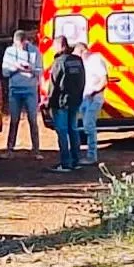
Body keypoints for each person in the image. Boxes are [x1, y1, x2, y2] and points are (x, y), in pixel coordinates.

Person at [0, 30, 43, 160]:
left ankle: (36, 150)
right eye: (16, 44)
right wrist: (16, 67)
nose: (19, 46)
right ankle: (9, 149)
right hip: (15, 89)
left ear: (25, 41)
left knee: (33, 119)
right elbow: (5, 72)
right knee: (14, 120)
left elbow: (40, 70)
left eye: (20, 44)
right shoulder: (9, 51)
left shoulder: (35, 51)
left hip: (30, 89)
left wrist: (31, 69)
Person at [47, 36, 85, 172]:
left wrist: (49, 102)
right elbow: (82, 81)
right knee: (73, 130)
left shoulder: (59, 62)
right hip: (75, 101)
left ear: (59, 46)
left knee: (62, 132)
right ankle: (76, 161)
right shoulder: (78, 60)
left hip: (61, 102)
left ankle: (65, 163)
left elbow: (53, 84)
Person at [74, 42, 107, 166]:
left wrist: (94, 91)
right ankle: (81, 154)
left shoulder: (96, 60)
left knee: (89, 126)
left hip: (94, 98)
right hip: (84, 98)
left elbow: (104, 80)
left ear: (83, 52)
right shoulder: (83, 62)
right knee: (80, 125)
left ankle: (92, 156)